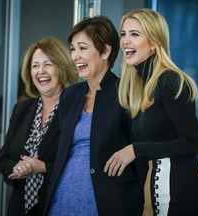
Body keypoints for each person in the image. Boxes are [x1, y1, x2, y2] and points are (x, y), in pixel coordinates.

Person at [104, 8, 198, 216]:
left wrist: (135, 149)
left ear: (153, 43)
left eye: (135, 34)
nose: (125, 41)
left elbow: (193, 142)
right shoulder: (138, 87)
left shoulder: (170, 80)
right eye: (124, 34)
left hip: (180, 192)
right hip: (153, 192)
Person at [44, 16, 144, 216]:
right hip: (61, 201)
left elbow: (141, 158)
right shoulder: (70, 95)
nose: (75, 56)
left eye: (82, 48)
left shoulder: (126, 92)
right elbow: (55, 149)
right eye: (73, 49)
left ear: (105, 51)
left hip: (107, 204)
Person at [0, 37, 78, 216]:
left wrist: (42, 167)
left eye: (48, 64)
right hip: (20, 207)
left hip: (58, 205)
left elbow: (79, 164)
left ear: (61, 67)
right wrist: (18, 169)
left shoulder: (76, 109)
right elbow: (4, 157)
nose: (41, 71)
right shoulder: (21, 109)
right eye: (35, 66)